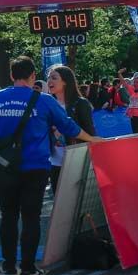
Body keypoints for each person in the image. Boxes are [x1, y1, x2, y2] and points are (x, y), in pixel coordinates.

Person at [0, 57, 99, 275]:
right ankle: (28, 268)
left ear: (11, 75)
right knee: (31, 217)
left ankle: (7, 266)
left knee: (8, 216)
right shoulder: (43, 100)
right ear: (33, 76)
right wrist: (92, 139)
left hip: (3, 168)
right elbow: (69, 127)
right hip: (34, 167)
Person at [46, 65, 96, 194]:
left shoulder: (80, 104)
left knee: (77, 202)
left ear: (65, 82)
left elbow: (90, 133)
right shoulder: (47, 104)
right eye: (48, 78)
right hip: (55, 163)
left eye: (54, 78)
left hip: (76, 162)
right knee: (59, 203)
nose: (49, 81)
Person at [119, 68, 138, 133]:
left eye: (137, 82)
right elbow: (124, 83)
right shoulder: (132, 89)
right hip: (134, 117)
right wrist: (119, 73)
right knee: (136, 133)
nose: (135, 84)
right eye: (134, 82)